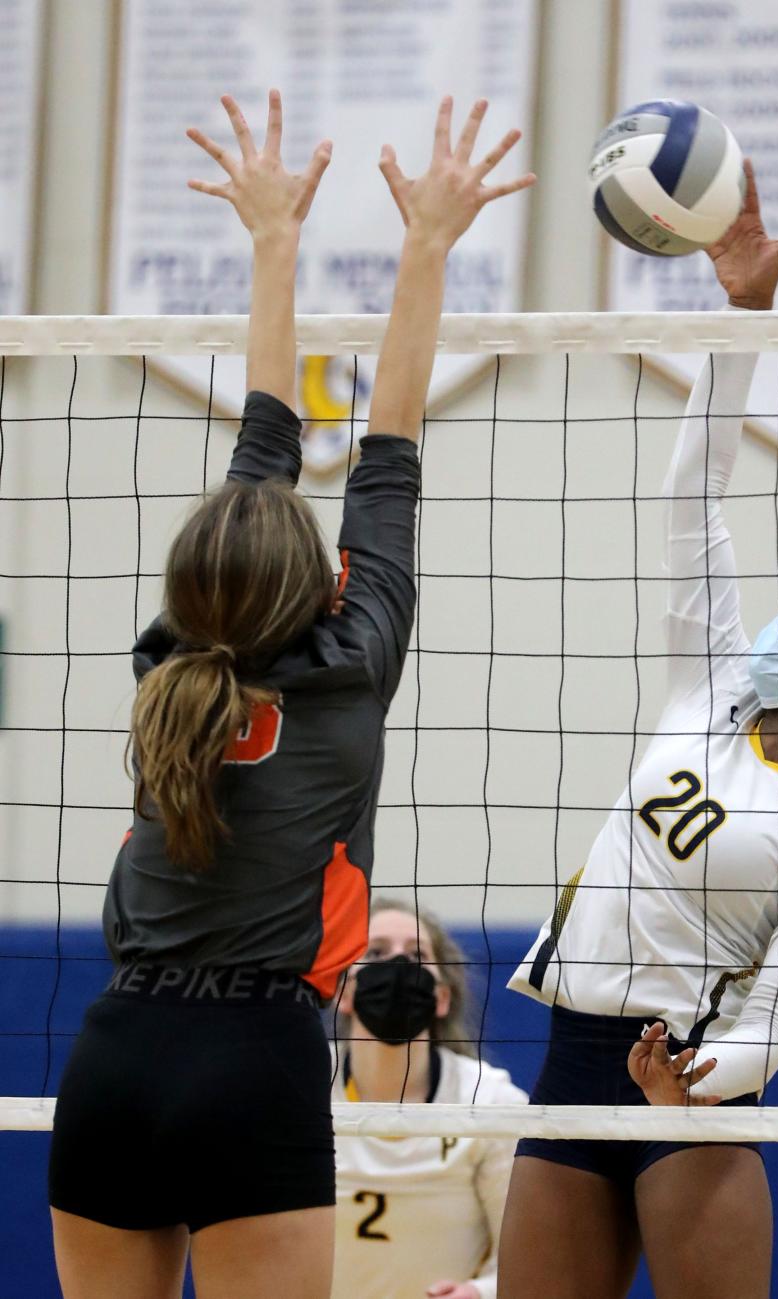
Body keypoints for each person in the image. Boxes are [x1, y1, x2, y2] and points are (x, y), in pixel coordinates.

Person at [47, 92, 534, 1299]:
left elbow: (261, 452)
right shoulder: (352, 663)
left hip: (115, 1052)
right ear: (318, 585)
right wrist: (425, 248)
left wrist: (272, 241)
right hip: (255, 1058)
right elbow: (391, 451)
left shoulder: (174, 657)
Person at [497, 162, 778, 1299]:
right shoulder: (711, 689)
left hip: (687, 1090)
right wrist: (745, 318)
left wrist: (696, 1084)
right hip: (570, 1063)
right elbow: (690, 494)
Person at [331, 897, 526, 1299]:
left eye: (417, 954)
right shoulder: (300, 1089)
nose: (398, 965)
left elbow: (527, 1256)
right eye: (377, 952)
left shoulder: (487, 1100)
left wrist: (479, 1292)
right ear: (343, 992)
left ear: (442, 997)